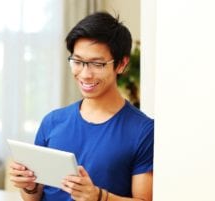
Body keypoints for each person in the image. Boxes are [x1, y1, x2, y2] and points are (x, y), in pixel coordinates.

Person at [10, 11, 154, 201]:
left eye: (97, 64)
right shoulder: (52, 121)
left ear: (121, 64)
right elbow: (33, 198)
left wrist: (98, 197)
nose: (85, 74)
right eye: (77, 61)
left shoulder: (143, 130)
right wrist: (28, 187)